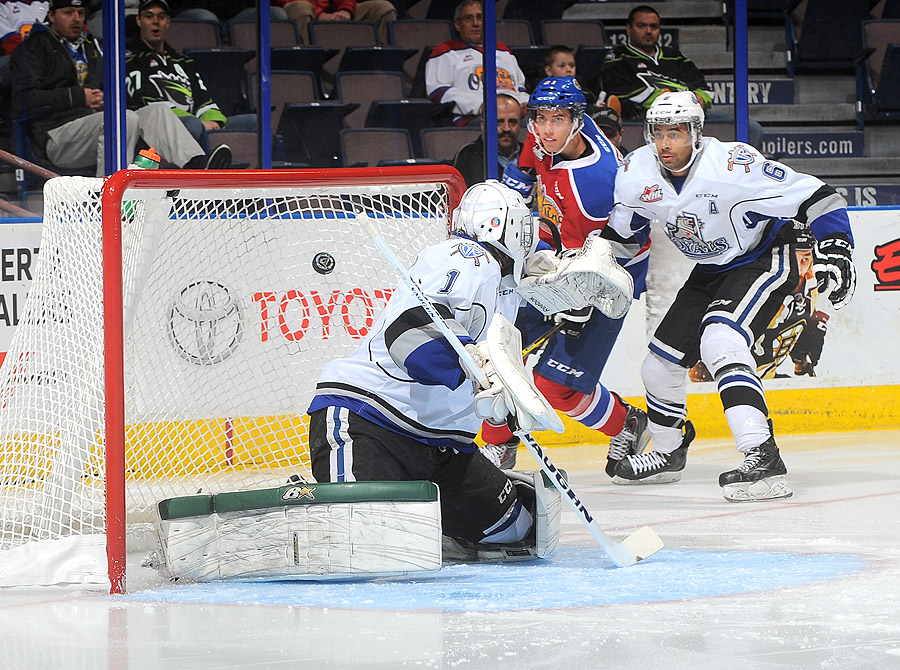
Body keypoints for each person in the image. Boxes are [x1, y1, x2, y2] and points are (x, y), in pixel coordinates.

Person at [604, 91, 856, 501]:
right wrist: (592, 265)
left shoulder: (732, 167)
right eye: (659, 133)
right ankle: (668, 454)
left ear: (696, 134)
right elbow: (622, 236)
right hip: (713, 267)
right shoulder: (636, 173)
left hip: (768, 253)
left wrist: (837, 247)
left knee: (721, 340)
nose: (666, 144)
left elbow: (820, 196)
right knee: (659, 364)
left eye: (677, 133)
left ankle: (762, 455)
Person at [306, 181, 545, 552]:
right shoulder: (467, 256)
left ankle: (422, 522)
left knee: (515, 532)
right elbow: (409, 335)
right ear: (509, 226)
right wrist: (472, 365)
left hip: (444, 447)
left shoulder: (506, 287)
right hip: (374, 422)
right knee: (360, 543)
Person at [485, 76, 650, 474]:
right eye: (539, 118)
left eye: (556, 119)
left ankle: (626, 423)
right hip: (560, 258)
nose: (544, 129)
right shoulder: (546, 136)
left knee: (554, 386)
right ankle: (499, 443)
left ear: (577, 120)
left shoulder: (595, 185)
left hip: (608, 279)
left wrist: (575, 300)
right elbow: (525, 174)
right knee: (494, 347)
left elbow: (601, 258)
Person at [11, 0, 231, 176]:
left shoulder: (91, 47)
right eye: (68, 12)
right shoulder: (34, 47)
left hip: (96, 125)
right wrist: (79, 97)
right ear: (51, 16)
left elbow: (110, 89)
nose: (76, 19)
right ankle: (110, 196)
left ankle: (196, 164)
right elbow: (22, 100)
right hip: (57, 136)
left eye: (80, 12)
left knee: (156, 111)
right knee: (123, 120)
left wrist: (105, 98)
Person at [599, 4, 763, 148]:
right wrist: (667, 99)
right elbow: (618, 88)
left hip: (692, 113)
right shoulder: (618, 56)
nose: (648, 31)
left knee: (751, 128)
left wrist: (700, 97)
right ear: (629, 28)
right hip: (650, 116)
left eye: (654, 26)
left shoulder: (675, 57)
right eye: (642, 26)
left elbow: (704, 89)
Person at [126, 0, 256, 153]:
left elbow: (203, 97)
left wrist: (214, 121)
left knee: (255, 122)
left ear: (167, 22)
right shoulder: (131, 60)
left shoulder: (183, 61)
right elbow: (147, 101)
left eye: (161, 17)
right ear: (139, 20)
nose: (156, 22)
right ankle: (205, 163)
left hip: (197, 121)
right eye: (149, 16)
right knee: (192, 126)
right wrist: (199, 122)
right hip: (161, 127)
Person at [425, 0, 528, 127]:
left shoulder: (503, 50)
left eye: (480, 17)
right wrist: (478, 105)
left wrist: (524, 102)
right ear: (457, 24)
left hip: (515, 114)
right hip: (476, 117)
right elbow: (438, 92)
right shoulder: (445, 51)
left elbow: (520, 88)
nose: (475, 23)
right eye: (468, 18)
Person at [451, 92, 522, 187]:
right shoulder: (467, 155)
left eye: (512, 122)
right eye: (499, 122)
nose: (506, 128)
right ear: (483, 125)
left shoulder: (532, 154)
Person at [542, 44, 620, 118]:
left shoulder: (586, 94)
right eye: (562, 66)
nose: (569, 69)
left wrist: (597, 108)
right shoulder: (543, 93)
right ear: (549, 70)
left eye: (572, 65)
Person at [277, 0, 397, 45]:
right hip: (293, 8)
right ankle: (306, 64)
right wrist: (319, 14)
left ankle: (384, 65)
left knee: (383, 8)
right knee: (302, 7)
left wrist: (345, 10)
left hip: (331, 9)